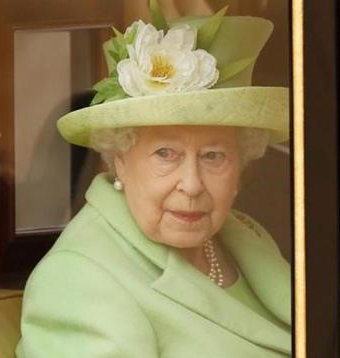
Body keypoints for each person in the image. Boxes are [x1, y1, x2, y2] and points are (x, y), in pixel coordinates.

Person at [16, 5, 291, 357]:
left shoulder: (247, 236)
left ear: (240, 166)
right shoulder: (77, 280)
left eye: (213, 156)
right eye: (165, 153)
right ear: (120, 159)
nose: (191, 184)